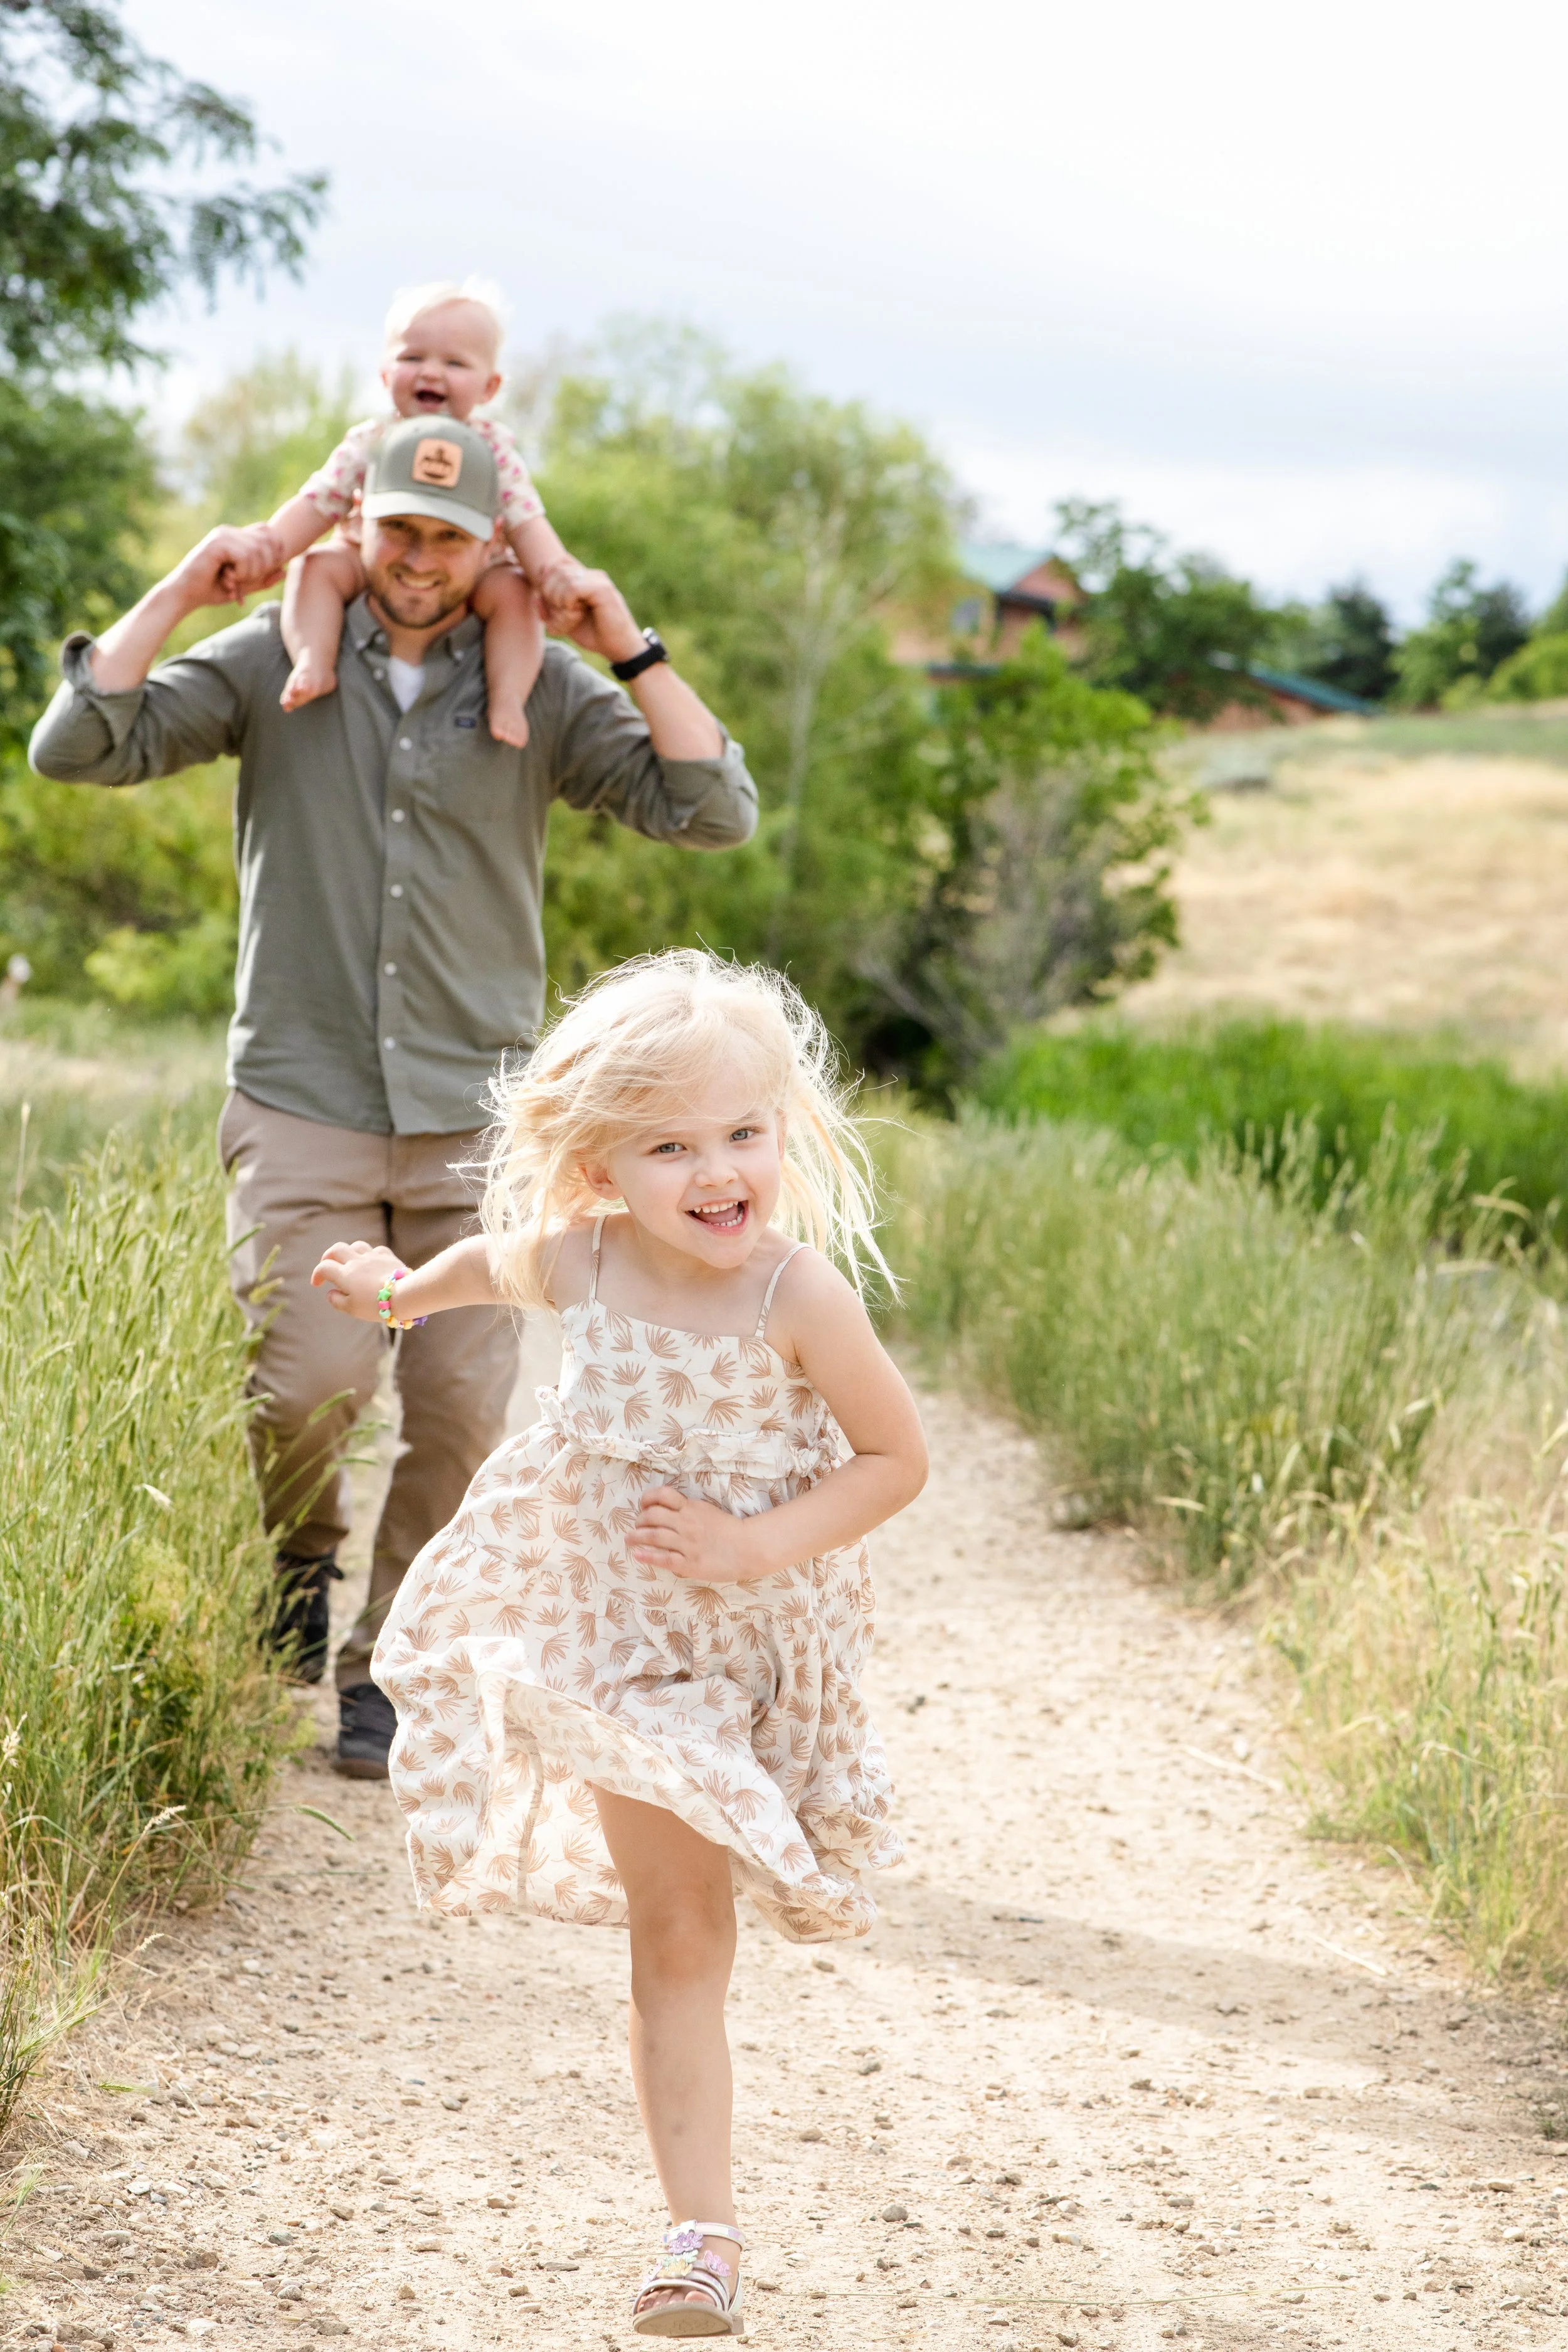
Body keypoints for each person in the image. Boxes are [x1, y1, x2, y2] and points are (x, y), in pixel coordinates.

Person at [28, 423, 760, 1781]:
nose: (419, 562)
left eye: (446, 537)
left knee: (462, 1411)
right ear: (358, 529)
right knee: (303, 1386)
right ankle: (297, 1563)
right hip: (301, 1092)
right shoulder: (270, 665)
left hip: (479, 1117)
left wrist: (624, 639)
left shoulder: (541, 693)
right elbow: (79, 745)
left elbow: (711, 807)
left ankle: (386, 1668)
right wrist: (194, 584)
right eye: (396, 532)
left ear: (488, 544)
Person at [309, 950, 929, 2338]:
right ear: (598, 1162)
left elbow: (895, 1460)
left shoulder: (795, 1299)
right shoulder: (583, 1255)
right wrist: (398, 1294)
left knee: (719, 1908)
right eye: (669, 1145)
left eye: (741, 1135)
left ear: (782, 1133)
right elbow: (487, 1262)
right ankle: (697, 2238)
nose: (716, 1171)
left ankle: (697, 2221)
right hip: (613, 1638)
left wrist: (753, 1543)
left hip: (755, 1633)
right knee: (681, 1921)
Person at [228, 277, 586, 746]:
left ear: (490, 386)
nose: (431, 373)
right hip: (370, 559)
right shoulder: (371, 444)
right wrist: (267, 549)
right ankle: (313, 660)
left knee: (516, 594)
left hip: (473, 571)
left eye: (455, 362)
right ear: (384, 374)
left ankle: (508, 698)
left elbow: (525, 522)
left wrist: (558, 577)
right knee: (315, 566)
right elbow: (318, 503)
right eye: (412, 358)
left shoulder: (493, 452)